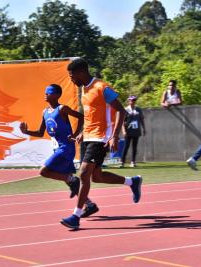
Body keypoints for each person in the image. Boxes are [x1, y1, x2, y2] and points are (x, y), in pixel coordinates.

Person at [60, 58, 142, 230]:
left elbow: (120, 110)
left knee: (83, 174)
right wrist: (83, 132)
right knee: (96, 177)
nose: (71, 79)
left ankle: (76, 215)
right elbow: (91, 114)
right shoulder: (83, 89)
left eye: (72, 76)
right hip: (88, 136)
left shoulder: (101, 87)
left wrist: (114, 135)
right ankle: (132, 182)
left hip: (101, 137)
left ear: (81, 72)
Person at [20, 84, 99, 217]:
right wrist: (26, 131)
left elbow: (81, 117)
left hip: (66, 148)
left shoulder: (62, 109)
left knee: (44, 171)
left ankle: (72, 180)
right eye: (45, 92)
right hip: (57, 149)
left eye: (49, 92)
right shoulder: (44, 112)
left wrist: (75, 134)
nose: (45, 94)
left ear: (57, 95)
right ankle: (90, 205)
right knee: (69, 182)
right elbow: (40, 133)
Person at [120, 95, 146, 168]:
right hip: (128, 131)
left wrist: (144, 129)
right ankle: (122, 162)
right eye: (131, 100)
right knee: (126, 146)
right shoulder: (126, 110)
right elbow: (122, 121)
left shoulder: (138, 109)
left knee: (134, 147)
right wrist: (124, 131)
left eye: (134, 100)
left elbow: (141, 119)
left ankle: (133, 162)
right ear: (128, 101)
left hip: (136, 131)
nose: (133, 101)